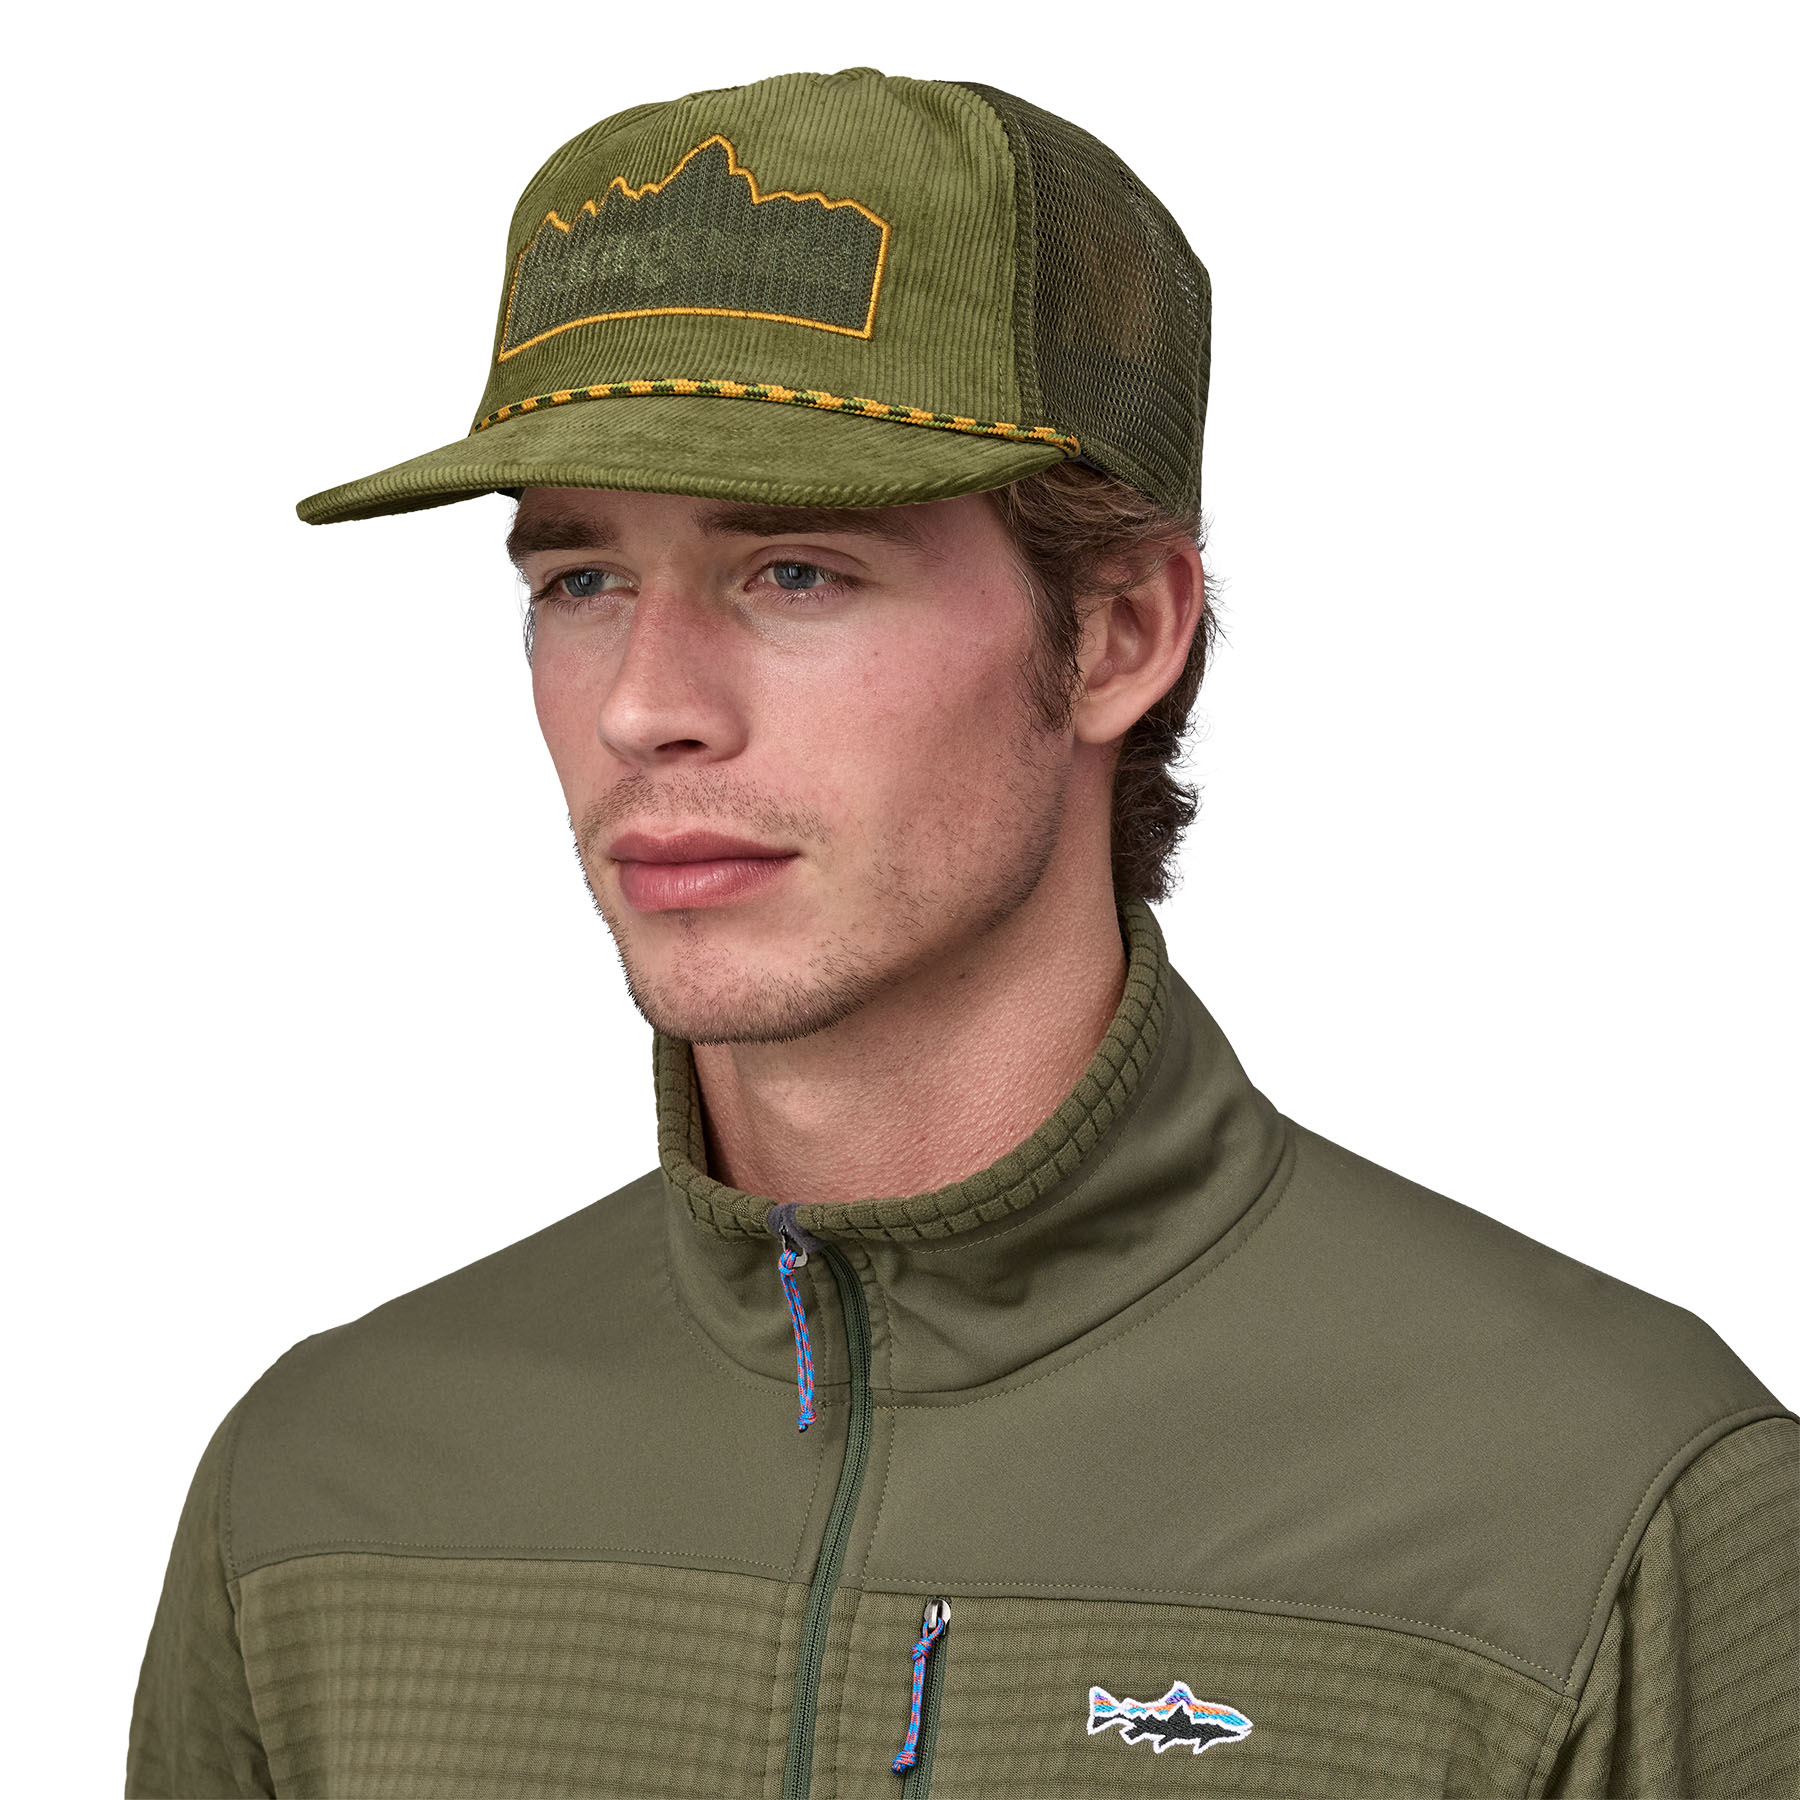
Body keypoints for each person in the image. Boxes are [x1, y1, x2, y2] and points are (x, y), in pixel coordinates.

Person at [126, 66, 1796, 1800]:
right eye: (580, 581)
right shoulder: (319, 1503)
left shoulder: (1606, 1508)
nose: (643, 706)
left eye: (796, 572)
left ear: (1120, 632)